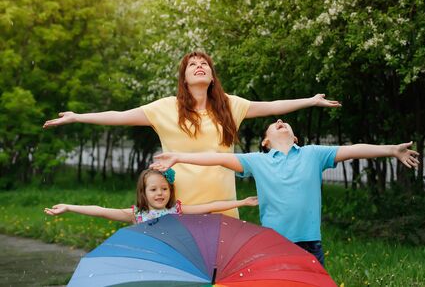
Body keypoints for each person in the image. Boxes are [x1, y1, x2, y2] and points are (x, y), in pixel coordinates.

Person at [43, 51, 340, 218]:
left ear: (211, 76)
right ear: (184, 78)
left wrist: (311, 100)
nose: (199, 67)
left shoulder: (229, 106)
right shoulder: (165, 108)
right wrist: (77, 117)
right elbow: (119, 117)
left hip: (223, 204)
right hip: (179, 206)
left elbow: (272, 106)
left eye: (204, 64)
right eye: (192, 65)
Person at [150, 119, 420, 266]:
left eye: (286, 123)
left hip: (310, 243)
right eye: (275, 123)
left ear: (296, 138)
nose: (281, 121)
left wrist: (391, 150)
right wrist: (179, 156)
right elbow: (216, 158)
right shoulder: (258, 160)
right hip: (274, 244)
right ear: (266, 141)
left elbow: (354, 149)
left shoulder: (314, 154)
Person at [44, 168, 258, 224]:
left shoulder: (177, 210)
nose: (160, 193)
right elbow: (101, 212)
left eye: (164, 189)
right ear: (143, 193)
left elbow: (209, 206)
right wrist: (70, 207)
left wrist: (242, 202)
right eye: (153, 190)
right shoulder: (137, 214)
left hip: (174, 260)